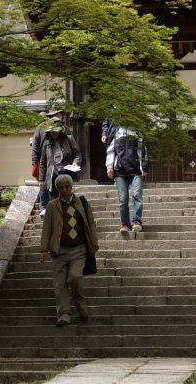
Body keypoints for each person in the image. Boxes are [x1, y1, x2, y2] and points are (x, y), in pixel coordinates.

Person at [39, 173, 99, 326]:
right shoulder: (53, 205)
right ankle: (64, 314)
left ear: (72, 187)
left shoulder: (82, 203)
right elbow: (47, 229)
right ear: (58, 189)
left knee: (75, 277)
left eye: (67, 187)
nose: (64, 190)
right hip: (59, 251)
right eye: (61, 188)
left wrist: (94, 243)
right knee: (60, 284)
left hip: (79, 249)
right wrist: (43, 250)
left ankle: (80, 306)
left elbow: (90, 224)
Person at [104, 124, 147, 238]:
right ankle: (125, 223)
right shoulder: (115, 130)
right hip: (120, 170)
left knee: (137, 195)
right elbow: (111, 150)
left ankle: (137, 221)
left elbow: (143, 149)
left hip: (136, 170)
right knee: (123, 200)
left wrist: (144, 167)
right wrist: (109, 166)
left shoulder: (138, 130)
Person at [29, 120, 80, 199]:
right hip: (53, 175)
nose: (53, 133)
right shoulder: (47, 143)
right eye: (51, 131)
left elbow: (77, 155)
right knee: (53, 201)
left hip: (67, 173)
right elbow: (43, 162)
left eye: (55, 131)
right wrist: (41, 179)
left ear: (60, 131)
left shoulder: (69, 139)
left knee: (67, 198)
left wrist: (75, 163)